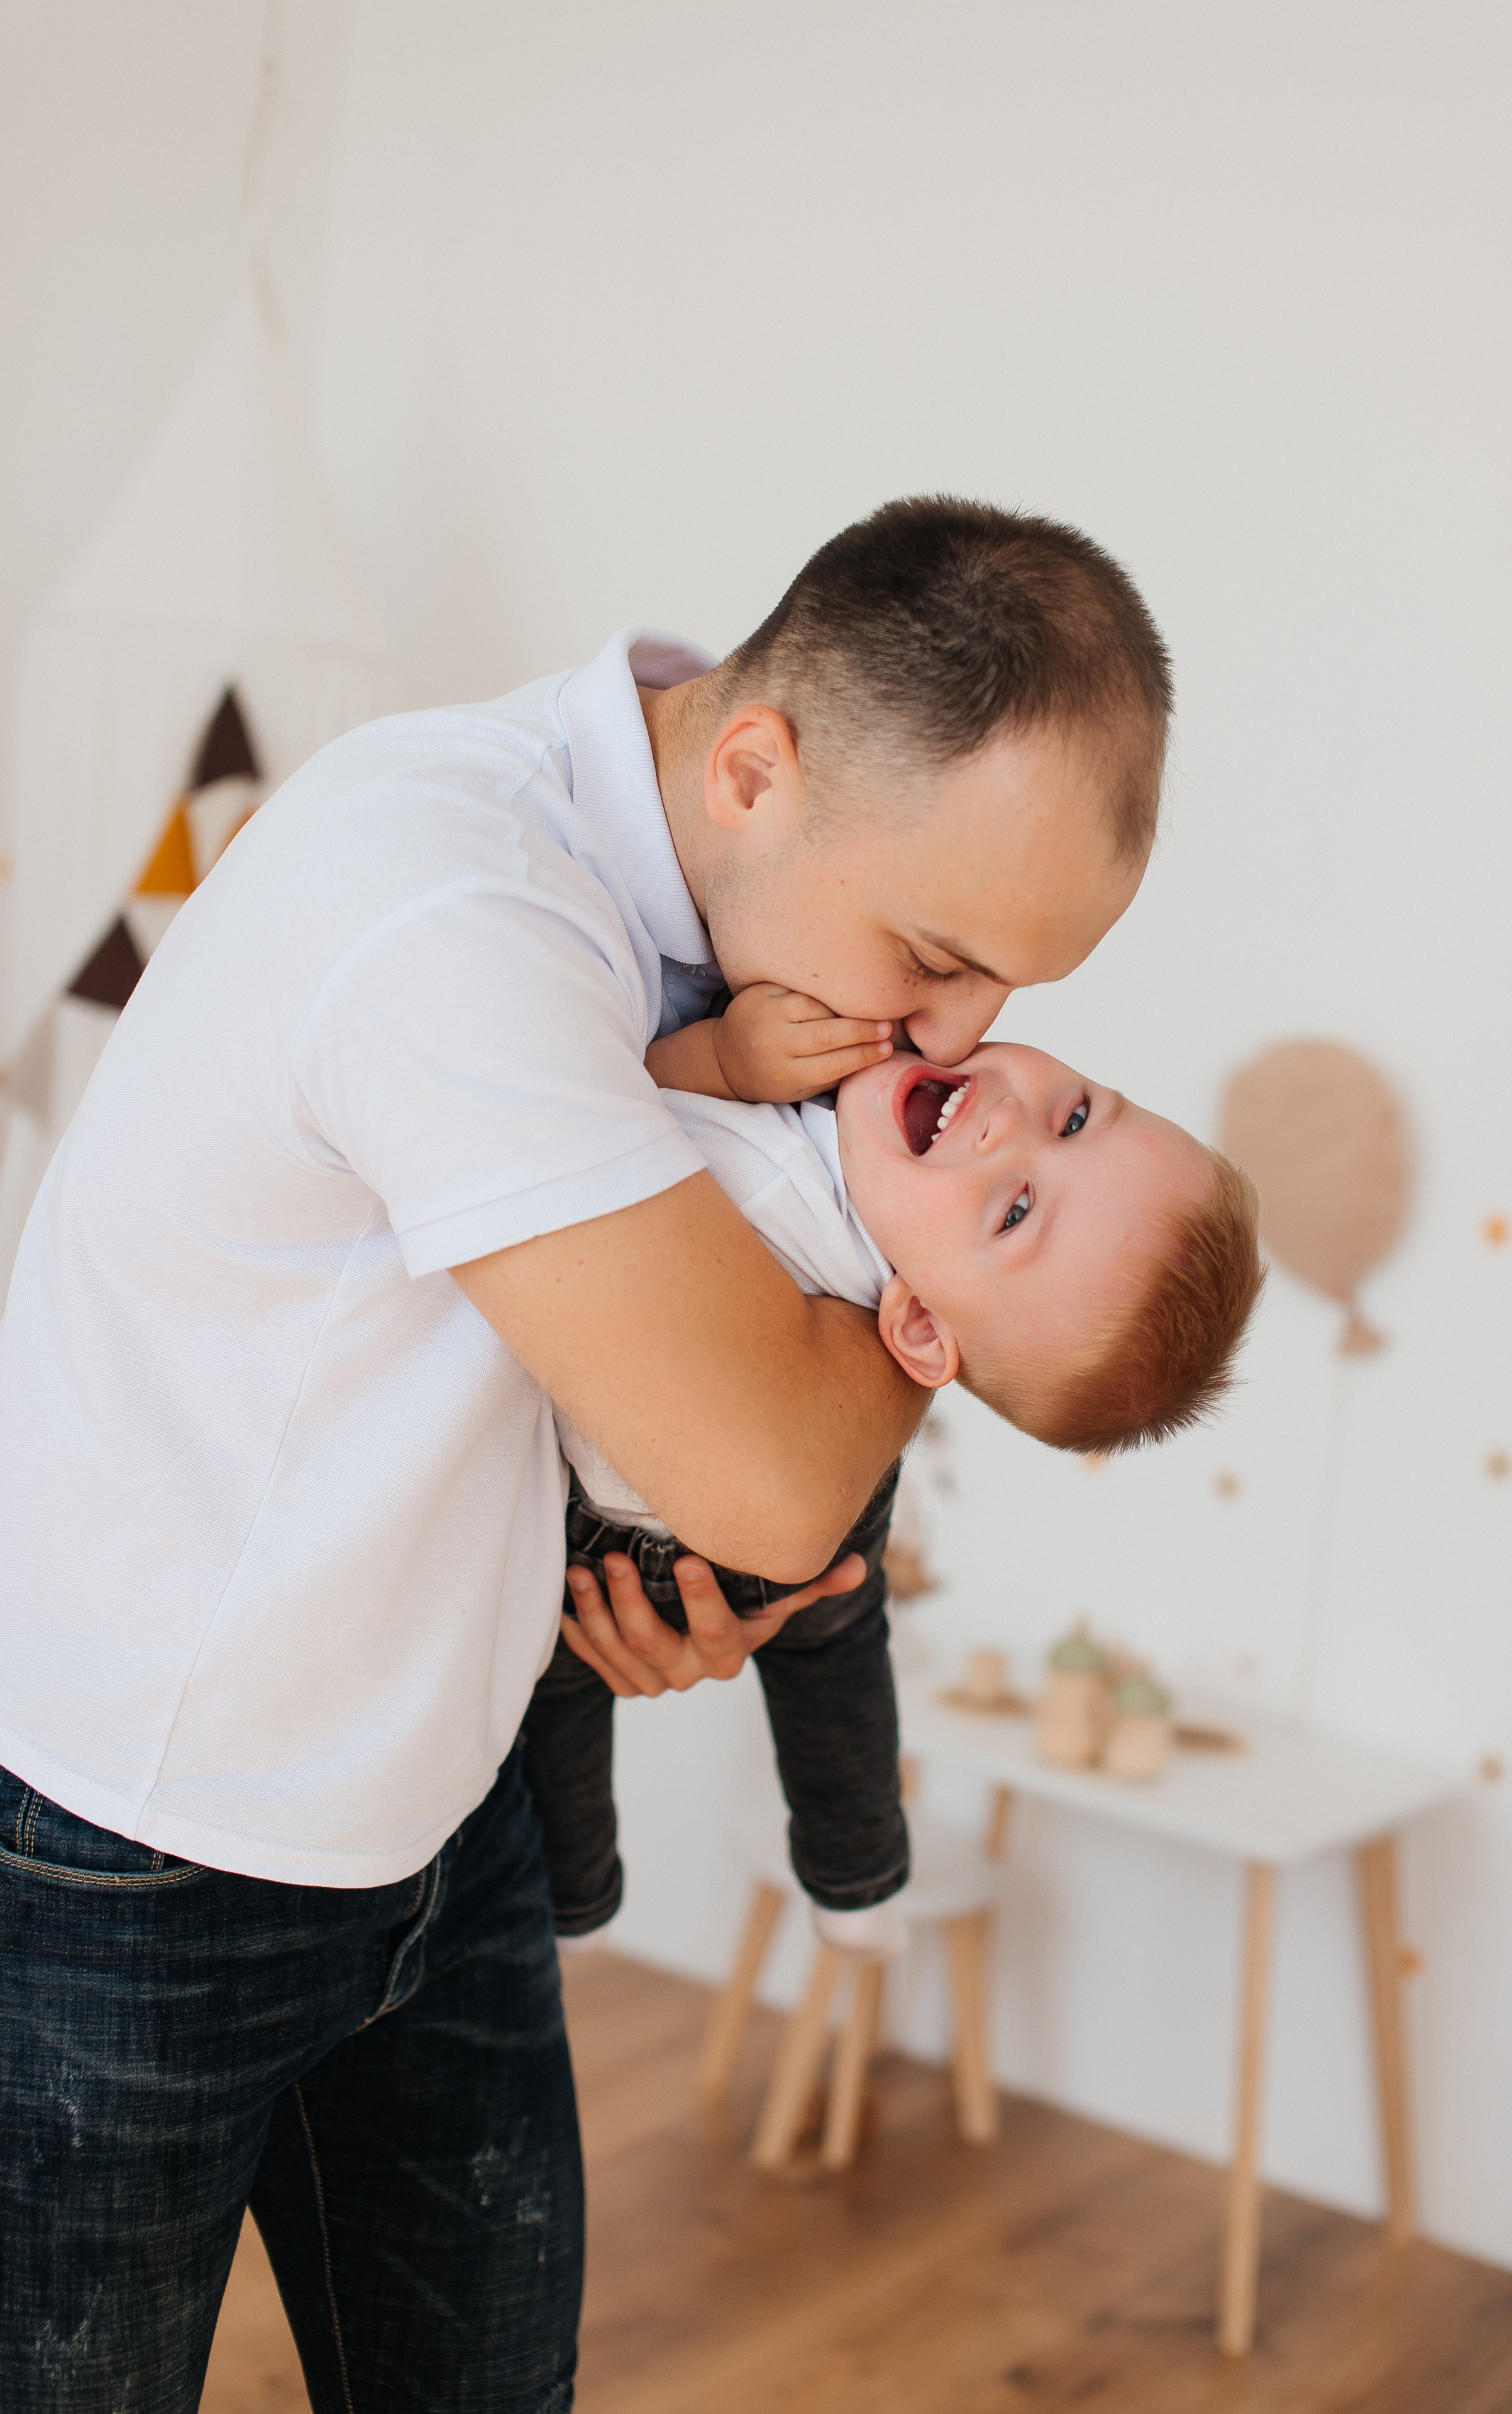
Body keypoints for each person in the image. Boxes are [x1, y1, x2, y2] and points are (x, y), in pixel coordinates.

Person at [0, 497, 1174, 2412]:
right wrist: (943, 1324)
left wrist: (646, 1580)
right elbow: (777, 1476)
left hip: (435, 1822)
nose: (949, 1038)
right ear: (749, 767)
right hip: (138, 1848)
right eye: (937, 952)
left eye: (1010, 993)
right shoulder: (454, 912)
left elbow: (627, 1430)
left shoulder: (757, 914)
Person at [527, 1002, 1263, 1954]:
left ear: (918, 1329)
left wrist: (720, 1056)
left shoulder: (762, 1179)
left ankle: (568, 1898)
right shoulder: (888, 1145)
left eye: (1015, 1211)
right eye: (1076, 1117)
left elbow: (616, 1109)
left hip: (638, 1527)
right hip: (840, 1494)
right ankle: (857, 1878)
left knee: (557, 1683)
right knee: (835, 1661)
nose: (1008, 1124)